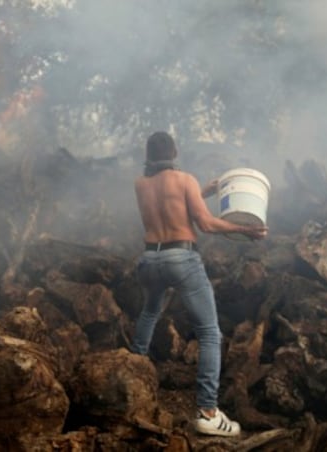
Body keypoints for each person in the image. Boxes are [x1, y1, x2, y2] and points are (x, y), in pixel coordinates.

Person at [130, 131, 267, 437]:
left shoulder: (141, 185)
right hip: (181, 259)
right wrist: (245, 229)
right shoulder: (184, 179)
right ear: (174, 152)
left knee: (150, 313)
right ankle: (208, 411)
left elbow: (170, 204)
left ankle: (130, 369)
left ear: (149, 155)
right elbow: (204, 223)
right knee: (209, 334)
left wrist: (202, 191)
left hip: (150, 260)